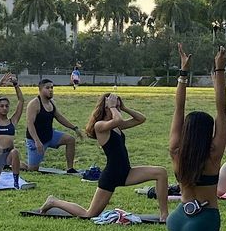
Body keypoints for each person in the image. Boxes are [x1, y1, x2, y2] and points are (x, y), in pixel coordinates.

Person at [141, 44, 226, 231]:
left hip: (177, 220)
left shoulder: (176, 151)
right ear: (208, 133)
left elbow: (178, 110)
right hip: (204, 222)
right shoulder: (214, 154)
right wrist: (220, 68)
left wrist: (183, 73)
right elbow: (222, 109)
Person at [30, 92, 169, 220]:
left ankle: (164, 215)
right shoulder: (100, 126)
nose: (117, 108)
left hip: (127, 172)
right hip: (111, 175)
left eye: (117, 106)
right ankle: (53, 201)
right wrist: (113, 107)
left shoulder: (116, 126)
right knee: (89, 214)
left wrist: (124, 107)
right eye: (114, 106)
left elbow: (141, 119)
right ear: (106, 107)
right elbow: (118, 119)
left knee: (161, 173)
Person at [23, 77, 80, 172]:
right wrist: (37, 141)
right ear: (40, 89)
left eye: (52, 88)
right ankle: (17, 163)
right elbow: (30, 124)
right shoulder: (34, 104)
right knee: (32, 169)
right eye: (47, 88)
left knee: (70, 140)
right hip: (35, 139)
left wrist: (74, 128)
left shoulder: (51, 103)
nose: (50, 90)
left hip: (50, 135)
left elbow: (59, 117)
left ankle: (70, 168)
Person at [0, 73, 25, 186]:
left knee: (15, 151)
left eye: (7, 106)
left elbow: (21, 101)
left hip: (8, 154)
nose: (4, 108)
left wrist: (16, 85)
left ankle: (16, 181)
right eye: (1, 106)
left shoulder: (13, 121)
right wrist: (0, 82)